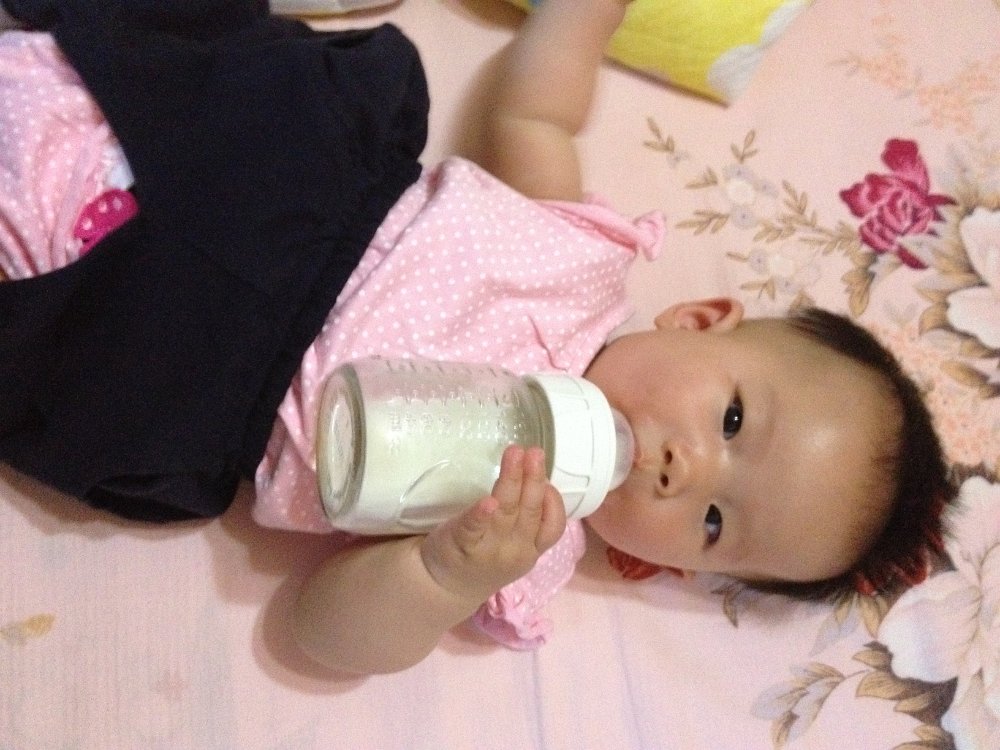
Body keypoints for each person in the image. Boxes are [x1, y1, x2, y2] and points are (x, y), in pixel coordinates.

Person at [0, 0, 953, 677]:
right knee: (214, 66)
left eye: (713, 523)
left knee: (80, 370)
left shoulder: (523, 545)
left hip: (196, 368)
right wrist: (584, 17)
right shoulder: (580, 263)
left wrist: (438, 573)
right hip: (297, 185)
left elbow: (323, 634)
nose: (685, 469)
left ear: (676, 567)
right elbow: (536, 111)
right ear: (701, 321)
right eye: (733, 419)